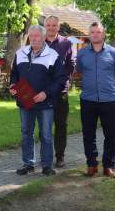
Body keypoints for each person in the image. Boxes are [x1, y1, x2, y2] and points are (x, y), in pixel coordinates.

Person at [10, 25, 67, 176]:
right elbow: (14, 74)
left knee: (46, 134)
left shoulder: (52, 55)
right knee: (26, 133)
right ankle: (28, 164)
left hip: (45, 103)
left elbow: (61, 79)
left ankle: (47, 165)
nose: (34, 38)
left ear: (43, 38)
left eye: (37, 36)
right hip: (25, 102)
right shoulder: (20, 53)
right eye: (31, 36)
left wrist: (46, 93)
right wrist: (12, 85)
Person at [76, 22, 115, 178]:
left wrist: (112, 91)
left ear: (103, 34)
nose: (95, 34)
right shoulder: (82, 54)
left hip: (109, 100)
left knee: (111, 135)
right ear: (89, 34)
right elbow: (80, 73)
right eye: (92, 32)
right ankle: (91, 165)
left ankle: (108, 166)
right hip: (88, 99)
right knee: (88, 134)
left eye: (98, 32)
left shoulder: (114, 53)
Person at [44, 15, 74, 168]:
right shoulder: (38, 42)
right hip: (43, 92)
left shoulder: (66, 44)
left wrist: (64, 80)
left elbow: (70, 66)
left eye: (53, 25)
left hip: (61, 92)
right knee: (45, 126)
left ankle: (60, 156)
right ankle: (46, 157)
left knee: (61, 125)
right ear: (45, 26)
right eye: (48, 25)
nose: (51, 28)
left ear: (58, 26)